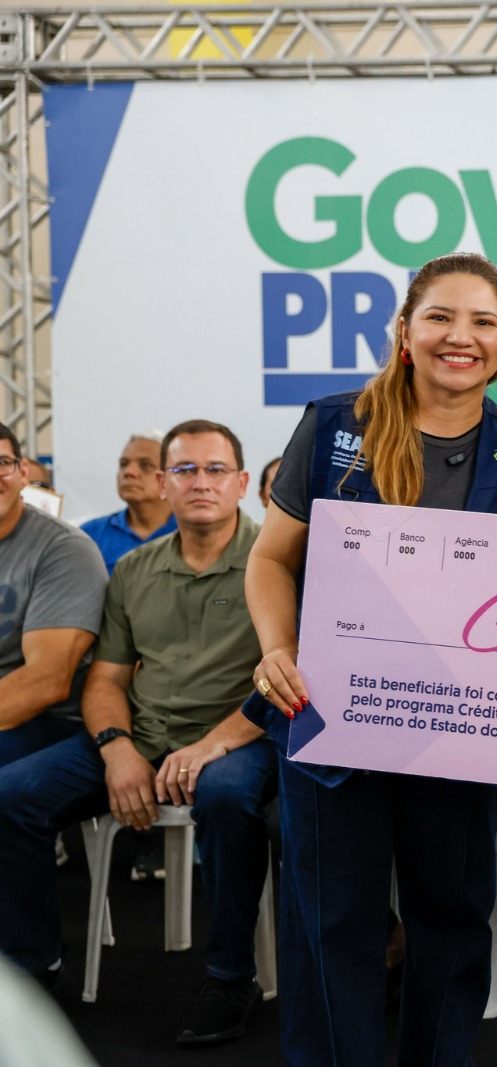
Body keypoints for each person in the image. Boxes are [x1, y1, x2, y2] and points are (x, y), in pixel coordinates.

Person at [243, 251, 497, 1066]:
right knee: (333, 926)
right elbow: (269, 560)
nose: (460, 336)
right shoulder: (334, 425)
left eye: (482, 322)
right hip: (331, 719)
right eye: (440, 316)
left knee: (451, 924)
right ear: (406, 331)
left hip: (461, 732)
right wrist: (277, 648)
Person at [0, 419, 277, 1044]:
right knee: (12, 796)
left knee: (226, 796)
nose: (200, 482)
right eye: (184, 470)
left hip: (238, 737)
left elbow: (285, 681)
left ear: (240, 483)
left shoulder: (276, 563)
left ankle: (231, 977)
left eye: (215, 470)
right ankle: (36, 970)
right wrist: (116, 749)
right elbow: (105, 679)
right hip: (143, 735)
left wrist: (208, 747)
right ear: (163, 483)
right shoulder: (132, 570)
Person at [0, 421, 106, 776]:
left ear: (23, 473)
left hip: (45, 722)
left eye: (1, 463)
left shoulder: (63, 550)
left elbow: (46, 682)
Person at [78, 432, 177, 573]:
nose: (129, 472)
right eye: (123, 464)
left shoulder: (192, 532)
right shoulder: (90, 535)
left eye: (146, 465)